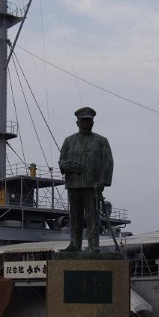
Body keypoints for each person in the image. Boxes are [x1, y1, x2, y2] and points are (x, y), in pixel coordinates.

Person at [59, 106, 113, 252]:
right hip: (74, 185)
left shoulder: (101, 141)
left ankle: (94, 245)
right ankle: (74, 244)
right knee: (75, 218)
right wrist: (66, 166)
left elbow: (108, 163)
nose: (86, 123)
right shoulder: (69, 141)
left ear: (93, 123)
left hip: (92, 186)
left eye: (88, 121)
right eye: (83, 121)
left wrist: (103, 182)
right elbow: (61, 160)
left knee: (92, 218)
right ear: (77, 123)